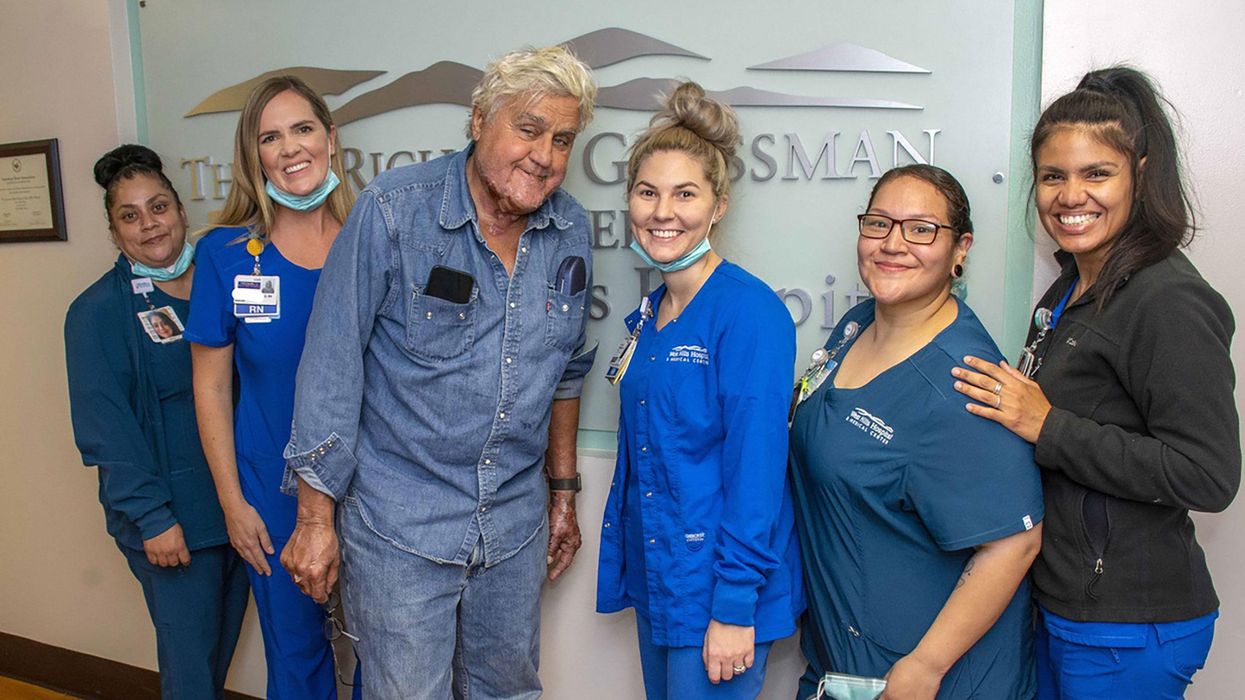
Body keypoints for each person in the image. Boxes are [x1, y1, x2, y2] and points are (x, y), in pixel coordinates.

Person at [279, 45, 597, 698]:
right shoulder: (396, 211)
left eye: (562, 139)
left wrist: (561, 492)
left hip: (511, 527)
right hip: (401, 528)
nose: (544, 155)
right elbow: (330, 365)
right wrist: (315, 521)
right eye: (529, 129)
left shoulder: (569, 228)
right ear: (479, 120)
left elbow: (567, 366)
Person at [951, 67, 1239, 699]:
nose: (1070, 196)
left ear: (1138, 171)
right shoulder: (1069, 286)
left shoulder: (1169, 301)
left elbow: (1208, 474)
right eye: (1054, 176)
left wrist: (1047, 425)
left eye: (1096, 174)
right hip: (1065, 604)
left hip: (1129, 625)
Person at [789, 165, 1045, 699]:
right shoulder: (856, 326)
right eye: (879, 223)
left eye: (922, 229)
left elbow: (1016, 542)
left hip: (928, 680)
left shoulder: (964, 381)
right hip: (843, 664)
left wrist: (925, 667)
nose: (893, 243)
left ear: (960, 249)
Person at [594, 81, 803, 700]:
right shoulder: (653, 312)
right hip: (664, 579)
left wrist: (736, 606)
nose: (664, 212)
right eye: (647, 192)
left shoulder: (749, 314)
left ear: (718, 205)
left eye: (686, 194)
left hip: (720, 592)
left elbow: (757, 470)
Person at [184, 76, 358, 699]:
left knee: (383, 651)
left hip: (372, 488)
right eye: (270, 136)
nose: (290, 148)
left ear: (331, 139)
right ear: (253, 155)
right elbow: (209, 389)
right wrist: (234, 504)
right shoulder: (226, 255)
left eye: (303, 129)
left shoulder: (372, 241)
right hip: (272, 489)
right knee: (297, 655)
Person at [65, 144, 248, 700]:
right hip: (173, 521)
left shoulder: (225, 280)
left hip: (238, 510)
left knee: (216, 660)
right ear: (114, 229)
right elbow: (106, 430)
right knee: (190, 673)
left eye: (158, 206)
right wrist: (152, 520)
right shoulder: (97, 312)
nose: (149, 225)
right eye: (130, 215)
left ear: (180, 209)